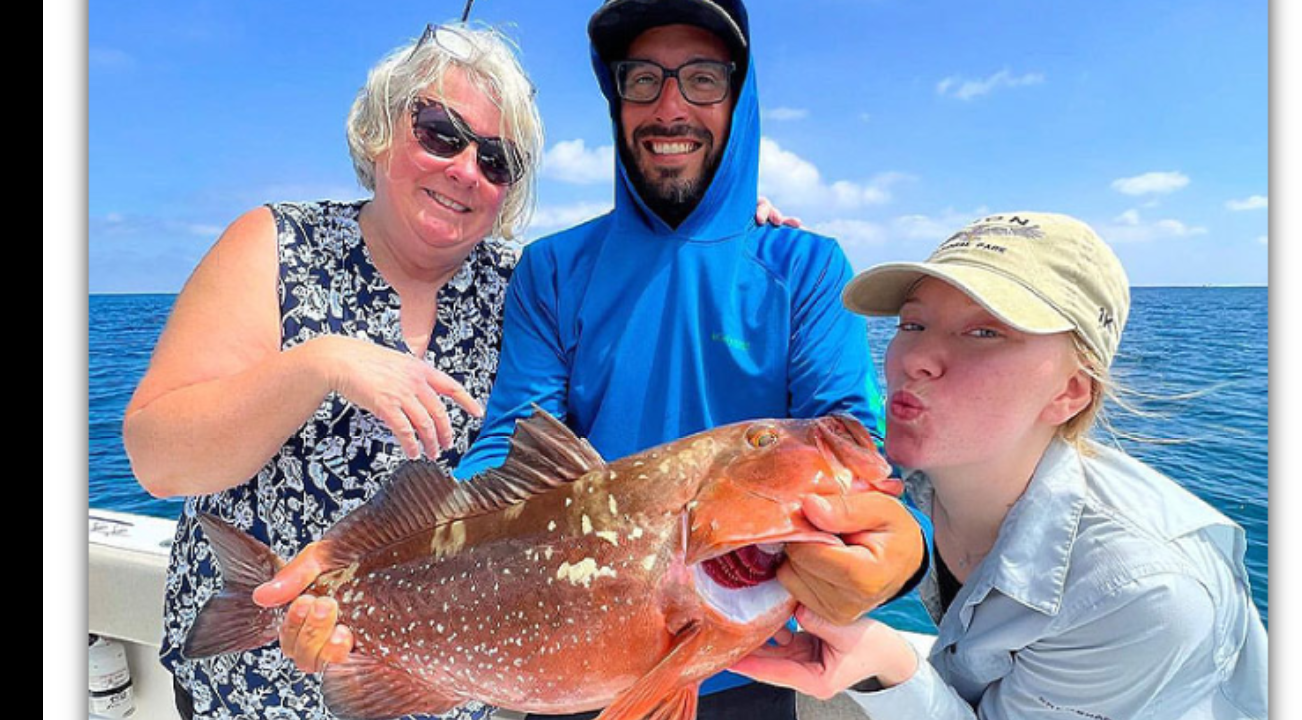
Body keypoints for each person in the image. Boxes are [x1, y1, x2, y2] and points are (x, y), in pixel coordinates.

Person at [269, 1, 931, 718]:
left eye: (702, 79)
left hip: (754, 674)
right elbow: (512, 443)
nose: (670, 106)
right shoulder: (553, 269)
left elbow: (865, 453)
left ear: (740, 98)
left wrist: (902, 557)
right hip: (565, 661)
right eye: (642, 80)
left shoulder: (804, 266)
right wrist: (395, 557)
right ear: (616, 101)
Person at [122, 23, 542, 720]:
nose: (467, 169)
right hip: (258, 693)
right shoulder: (276, 244)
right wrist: (322, 363)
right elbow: (158, 460)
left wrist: (749, 239)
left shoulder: (527, 288)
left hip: (440, 694)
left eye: (497, 160)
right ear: (380, 131)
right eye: (441, 132)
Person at [730, 212, 1271, 719]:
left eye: (985, 332)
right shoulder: (921, 468)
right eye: (913, 324)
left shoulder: (1139, 591)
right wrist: (725, 211)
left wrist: (889, 667)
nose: (913, 358)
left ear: (1070, 391)